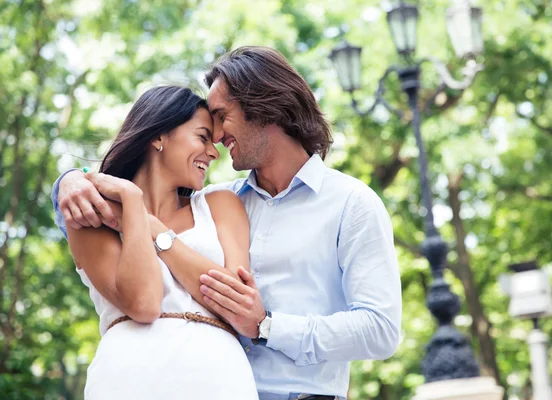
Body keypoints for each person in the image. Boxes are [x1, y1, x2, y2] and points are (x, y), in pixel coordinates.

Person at [52, 46, 402, 400]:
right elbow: (97, 209)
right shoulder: (222, 200)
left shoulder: (350, 203)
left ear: (264, 106)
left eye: (221, 116)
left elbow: (380, 330)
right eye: (206, 131)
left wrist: (268, 326)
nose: (217, 137)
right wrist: (67, 181)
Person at [55, 85, 258, 399]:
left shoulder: (220, 204)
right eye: (202, 137)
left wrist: (152, 228)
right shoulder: (94, 217)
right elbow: (144, 303)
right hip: (127, 379)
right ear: (158, 136)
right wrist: (133, 204)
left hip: (220, 379)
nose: (213, 152)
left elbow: (234, 302)